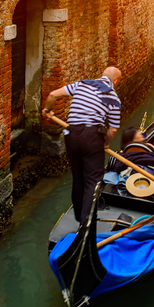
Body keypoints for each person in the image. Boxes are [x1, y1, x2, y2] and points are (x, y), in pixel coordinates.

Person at [43, 66, 122, 223]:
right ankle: (87, 222)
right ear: (115, 81)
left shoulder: (81, 84)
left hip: (71, 135)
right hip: (92, 137)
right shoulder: (113, 97)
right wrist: (105, 144)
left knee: (78, 177)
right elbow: (113, 129)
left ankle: (79, 217)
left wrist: (47, 109)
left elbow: (53, 95)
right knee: (93, 180)